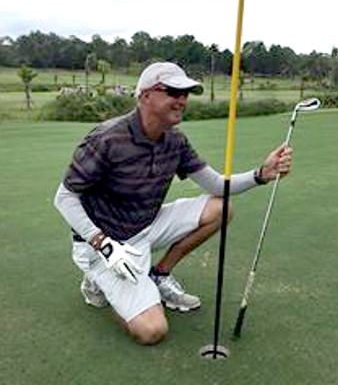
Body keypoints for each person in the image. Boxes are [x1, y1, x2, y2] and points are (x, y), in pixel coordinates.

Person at [54, 62, 293, 346]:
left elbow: (217, 186)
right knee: (152, 330)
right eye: (172, 92)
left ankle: (159, 274)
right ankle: (99, 281)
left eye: (185, 94)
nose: (182, 100)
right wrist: (102, 243)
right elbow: (64, 197)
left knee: (221, 208)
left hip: (147, 224)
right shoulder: (106, 138)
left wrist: (261, 175)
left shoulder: (175, 141)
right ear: (145, 96)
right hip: (106, 245)